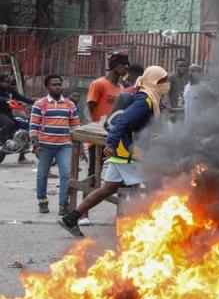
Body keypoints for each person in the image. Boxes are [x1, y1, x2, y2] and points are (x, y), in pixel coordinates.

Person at [59, 66, 168, 237]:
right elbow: (124, 121)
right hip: (129, 154)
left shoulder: (148, 97)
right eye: (163, 81)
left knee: (108, 188)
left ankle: (71, 218)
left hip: (121, 153)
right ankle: (146, 229)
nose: (166, 84)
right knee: (153, 186)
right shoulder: (145, 99)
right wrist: (112, 142)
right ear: (153, 81)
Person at [29, 75, 80, 216]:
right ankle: (42, 201)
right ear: (47, 87)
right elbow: (33, 126)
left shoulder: (70, 105)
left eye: (59, 84)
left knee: (66, 174)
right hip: (44, 146)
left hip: (64, 146)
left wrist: (79, 147)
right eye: (54, 85)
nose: (57, 87)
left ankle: (63, 204)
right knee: (42, 174)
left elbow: (76, 128)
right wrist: (35, 144)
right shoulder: (40, 104)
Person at [86, 51, 129, 175]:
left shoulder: (121, 88)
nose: (126, 68)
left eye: (127, 65)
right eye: (123, 65)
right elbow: (89, 107)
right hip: (98, 134)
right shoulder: (99, 84)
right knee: (94, 171)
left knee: (118, 170)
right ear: (116, 66)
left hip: (115, 135)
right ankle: (89, 195)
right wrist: (94, 128)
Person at [0, 72, 35, 163]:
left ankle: (22, 157)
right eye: (4, 82)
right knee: (9, 123)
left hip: (8, 114)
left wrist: (35, 102)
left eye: (8, 82)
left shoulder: (10, 90)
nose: (7, 83)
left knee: (24, 126)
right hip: (1, 114)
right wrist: (6, 100)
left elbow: (21, 97)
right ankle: (3, 141)